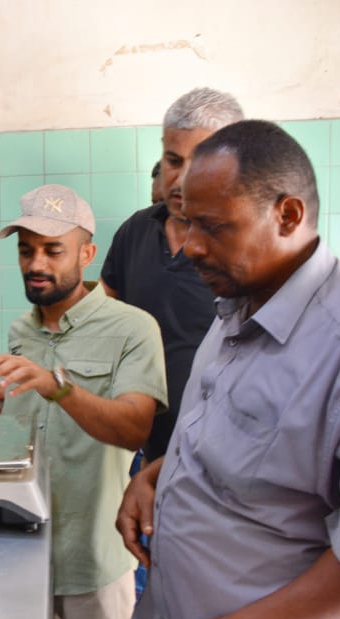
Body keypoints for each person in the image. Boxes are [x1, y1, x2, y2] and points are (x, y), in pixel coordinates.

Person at [117, 120, 340, 619]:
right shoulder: (239, 302)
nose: (191, 247)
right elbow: (254, 446)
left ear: (288, 215)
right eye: (187, 222)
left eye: (213, 227)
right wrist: (158, 474)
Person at [0, 184, 167, 619]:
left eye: (53, 250)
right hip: (21, 550)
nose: (36, 264)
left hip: (92, 559)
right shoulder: (21, 331)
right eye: (26, 251)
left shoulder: (133, 328)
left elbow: (134, 428)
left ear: (86, 254)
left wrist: (57, 386)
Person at [101, 87, 244, 463]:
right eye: (173, 160)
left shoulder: (250, 249)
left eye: (201, 162)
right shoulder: (136, 230)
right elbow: (101, 318)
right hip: (148, 453)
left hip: (224, 460)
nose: (181, 180)